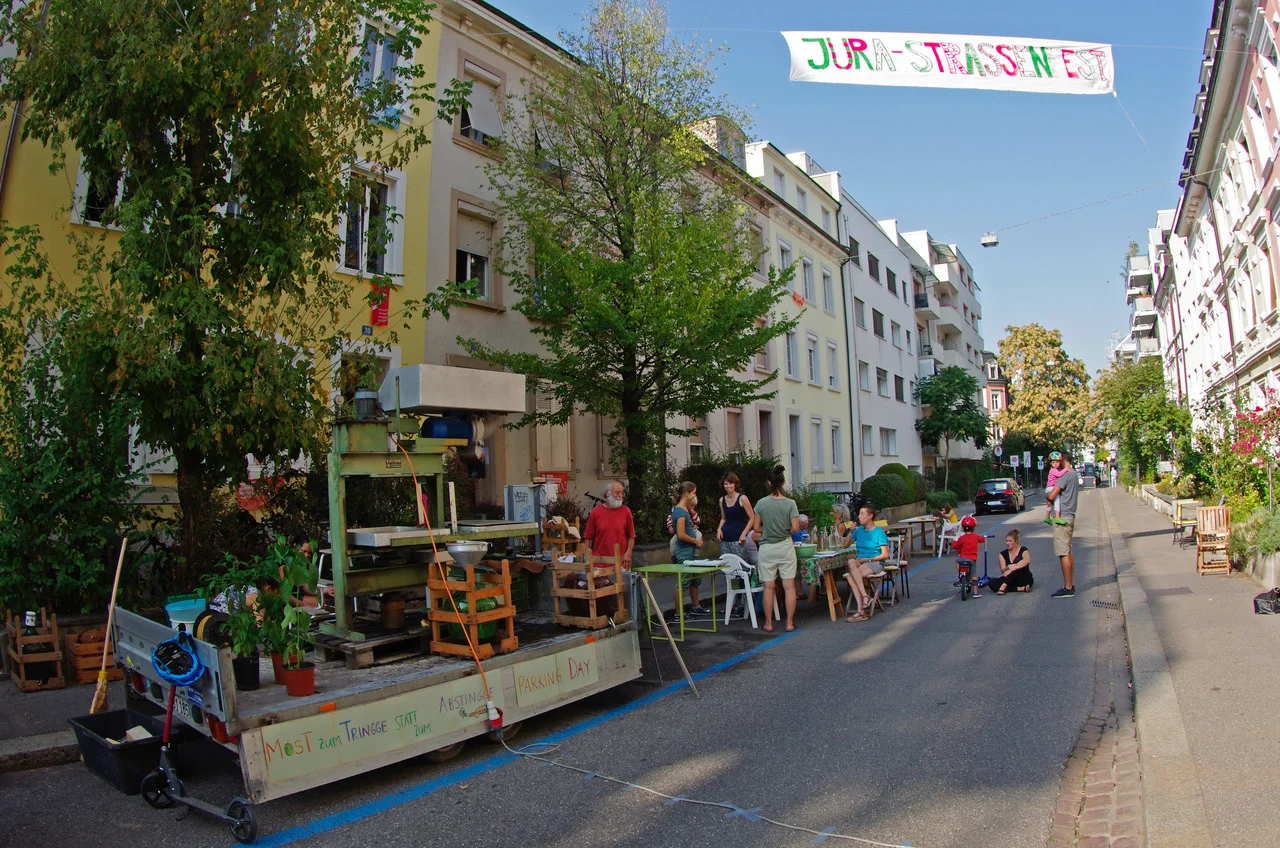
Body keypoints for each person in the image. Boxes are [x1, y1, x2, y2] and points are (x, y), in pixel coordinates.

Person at [752, 465, 800, 632]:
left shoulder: (761, 503)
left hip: (767, 548)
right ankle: (789, 623)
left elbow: (756, 527)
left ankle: (769, 623)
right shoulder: (790, 503)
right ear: (783, 482)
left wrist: (768, 530)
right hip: (785, 546)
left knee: (768, 586)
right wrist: (785, 529)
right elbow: (795, 528)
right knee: (789, 586)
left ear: (768, 483)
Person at [845, 503, 889, 622]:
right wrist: (850, 531)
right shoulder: (859, 530)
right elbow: (845, 545)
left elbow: (885, 555)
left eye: (862, 514)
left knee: (851, 576)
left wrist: (868, 560)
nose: (859, 517)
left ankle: (861, 611)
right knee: (851, 561)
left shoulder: (879, 532)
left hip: (874, 562)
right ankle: (865, 596)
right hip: (861, 561)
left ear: (870, 516)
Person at [1045, 451, 1080, 598]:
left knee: (1063, 552)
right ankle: (1070, 584)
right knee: (1068, 550)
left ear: (1063, 460)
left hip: (1063, 515)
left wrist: (1047, 496)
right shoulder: (1074, 474)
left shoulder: (1065, 475)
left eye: (1059, 461)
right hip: (1070, 514)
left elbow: (1052, 495)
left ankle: (1068, 587)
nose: (1057, 464)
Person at [671, 481, 708, 615]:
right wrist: (695, 541)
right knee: (683, 581)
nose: (694, 496)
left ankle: (695, 605)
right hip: (684, 551)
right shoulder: (680, 512)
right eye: (693, 493)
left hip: (690, 550)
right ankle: (678, 613)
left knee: (694, 579)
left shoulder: (685, 509)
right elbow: (681, 534)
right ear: (686, 494)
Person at [583, 481, 636, 568]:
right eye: (617, 492)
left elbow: (631, 536)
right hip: (599, 563)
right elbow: (588, 538)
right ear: (607, 493)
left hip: (621, 562)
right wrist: (587, 559)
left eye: (621, 492)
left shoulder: (626, 511)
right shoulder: (595, 512)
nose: (620, 496)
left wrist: (628, 553)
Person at [716, 473, 756, 561]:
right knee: (727, 567)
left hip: (738, 538)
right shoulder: (721, 500)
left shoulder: (742, 498)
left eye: (730, 483)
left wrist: (744, 533)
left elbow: (752, 517)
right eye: (726, 484)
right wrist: (719, 529)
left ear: (735, 484)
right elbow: (723, 518)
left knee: (741, 565)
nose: (728, 486)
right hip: (725, 539)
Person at [991, 529, 1033, 595]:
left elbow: (1027, 560)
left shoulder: (1023, 550)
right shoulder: (1002, 554)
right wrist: (1008, 567)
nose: (1008, 543)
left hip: (1024, 577)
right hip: (1011, 579)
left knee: (1016, 568)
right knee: (992, 583)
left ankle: (1004, 586)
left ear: (1016, 541)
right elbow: (1003, 571)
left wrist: (1013, 568)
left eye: (1010, 541)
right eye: (1006, 541)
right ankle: (1020, 589)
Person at [951, 515, 984, 598]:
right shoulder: (975, 536)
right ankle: (976, 592)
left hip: (962, 559)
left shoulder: (962, 538)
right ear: (973, 528)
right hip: (972, 559)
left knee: (957, 561)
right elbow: (982, 540)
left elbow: (956, 546)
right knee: (974, 576)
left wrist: (953, 542)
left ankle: (961, 574)